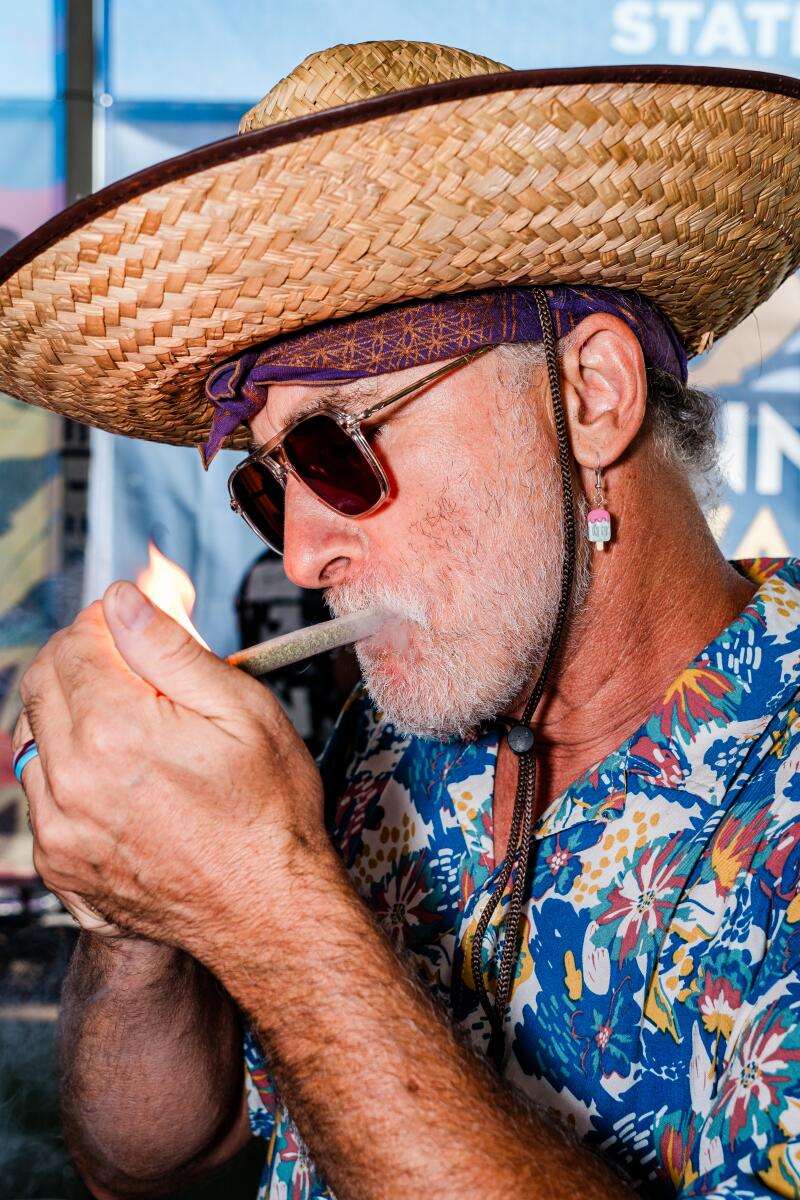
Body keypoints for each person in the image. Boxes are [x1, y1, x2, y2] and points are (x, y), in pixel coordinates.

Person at [3, 39, 800, 1200]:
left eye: (338, 447)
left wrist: (272, 908)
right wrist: (143, 909)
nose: (307, 549)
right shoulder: (397, 745)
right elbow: (156, 1157)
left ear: (589, 395)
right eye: (269, 484)